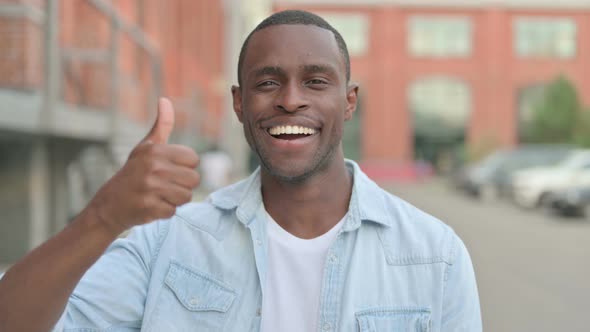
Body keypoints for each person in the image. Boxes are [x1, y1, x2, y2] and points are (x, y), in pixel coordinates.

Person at [0, 10, 481, 332]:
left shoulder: (434, 256)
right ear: (238, 103)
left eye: (315, 81)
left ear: (348, 101)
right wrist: (103, 217)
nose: (291, 99)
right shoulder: (168, 241)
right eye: (267, 82)